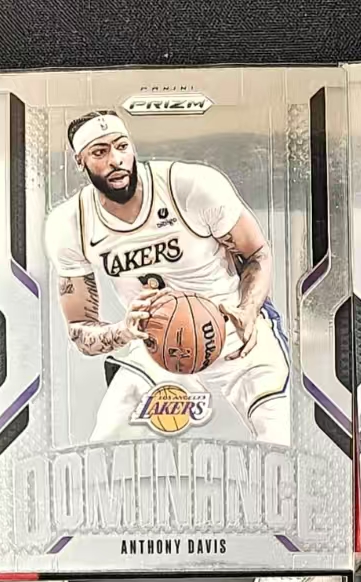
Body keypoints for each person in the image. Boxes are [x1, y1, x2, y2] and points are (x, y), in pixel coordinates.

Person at [46, 110, 291, 443]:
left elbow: (257, 253)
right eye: (100, 152)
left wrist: (248, 311)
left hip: (236, 334)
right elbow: (79, 328)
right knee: (104, 444)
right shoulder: (70, 223)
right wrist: (124, 330)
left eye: (122, 146)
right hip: (159, 348)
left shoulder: (189, 186)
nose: (116, 160)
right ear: (80, 161)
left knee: (279, 444)